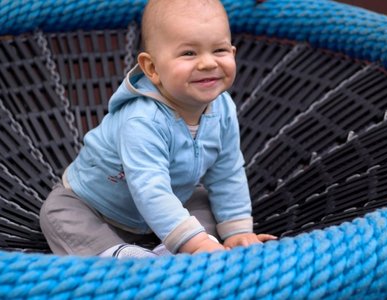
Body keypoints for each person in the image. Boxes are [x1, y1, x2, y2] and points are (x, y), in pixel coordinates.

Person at [39, 0, 276, 258]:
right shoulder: (143, 119)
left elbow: (227, 170)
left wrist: (237, 230)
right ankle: (118, 254)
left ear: (233, 51)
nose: (208, 63)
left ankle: (178, 245)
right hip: (97, 206)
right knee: (57, 212)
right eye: (189, 53)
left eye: (219, 50)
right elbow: (149, 187)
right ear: (152, 68)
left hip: (171, 200)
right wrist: (194, 243)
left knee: (203, 199)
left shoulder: (223, 108)